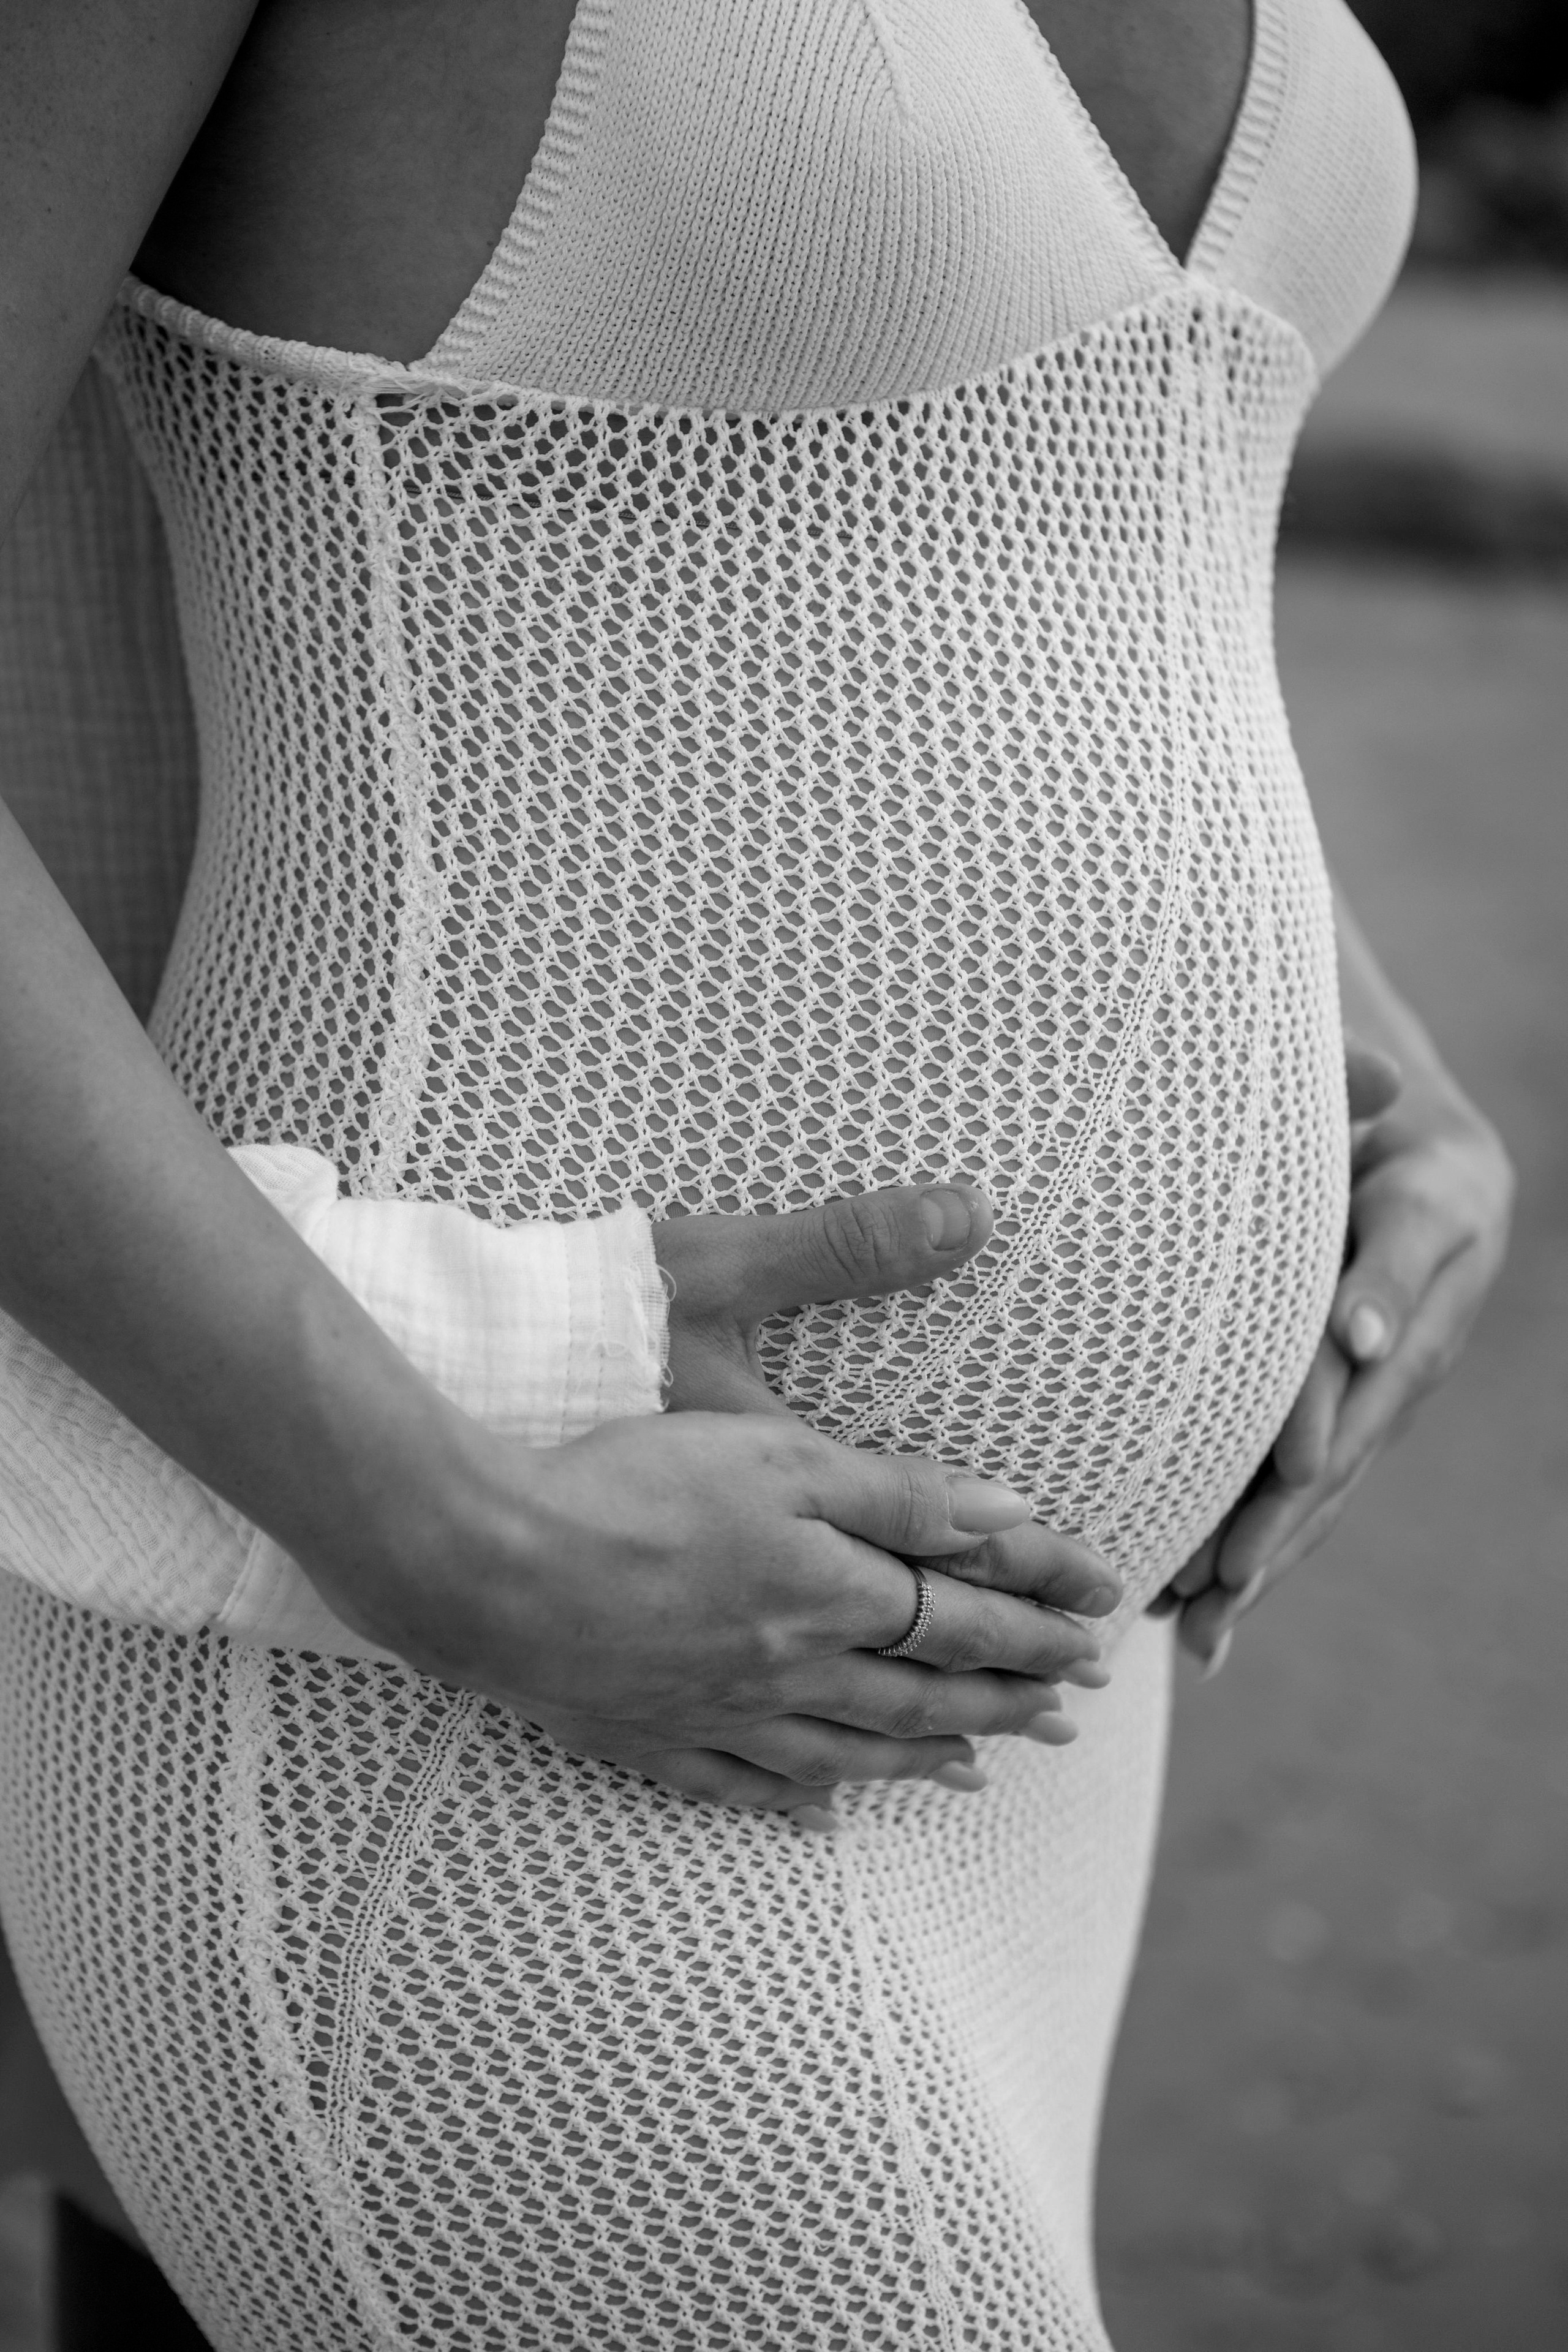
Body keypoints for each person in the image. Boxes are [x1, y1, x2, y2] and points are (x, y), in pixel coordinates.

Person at [0, 2, 1512, 2346]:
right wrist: (451, 1520)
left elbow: (1071, 503)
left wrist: (1338, 1031)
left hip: (1006, 1708)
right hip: (455, 1650)